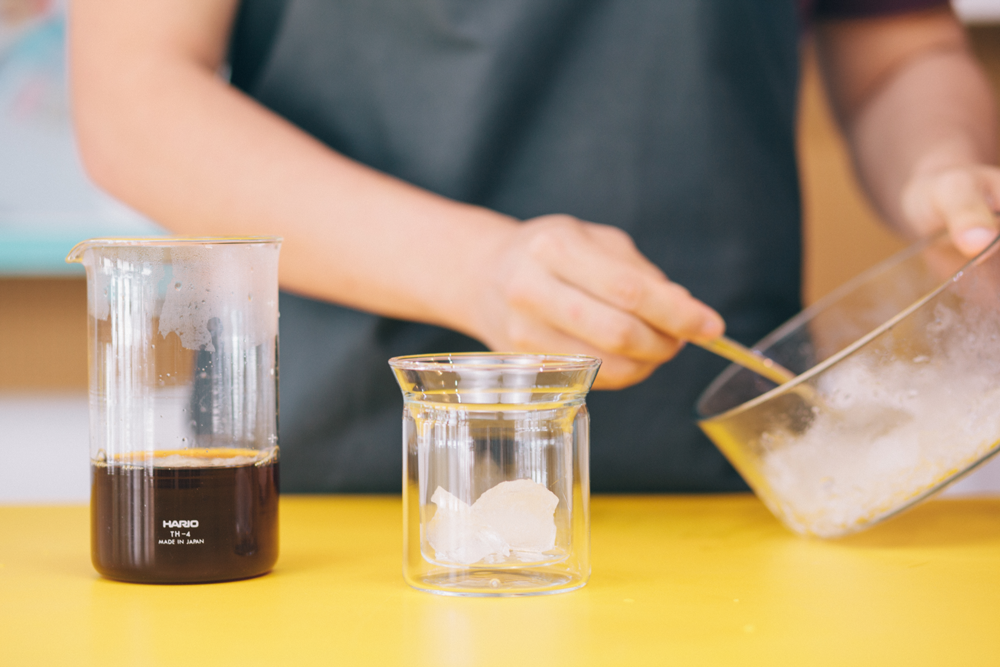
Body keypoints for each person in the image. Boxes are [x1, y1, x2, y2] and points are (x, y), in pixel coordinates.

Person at [69, 0, 1000, 492]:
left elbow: (897, 49)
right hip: (341, 471)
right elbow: (131, 96)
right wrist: (475, 270)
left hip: (729, 469)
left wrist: (943, 167)